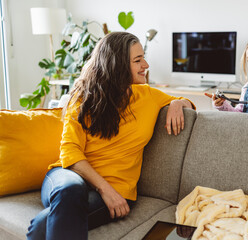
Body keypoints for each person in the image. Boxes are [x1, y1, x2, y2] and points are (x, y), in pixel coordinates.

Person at [26, 32, 195, 240]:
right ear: (117, 65)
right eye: (138, 60)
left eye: (143, 58)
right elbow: (69, 152)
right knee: (71, 190)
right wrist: (106, 190)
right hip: (67, 176)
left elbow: (186, 101)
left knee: (42, 226)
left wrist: (178, 103)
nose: (146, 64)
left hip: (119, 188)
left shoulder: (148, 96)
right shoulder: (82, 98)